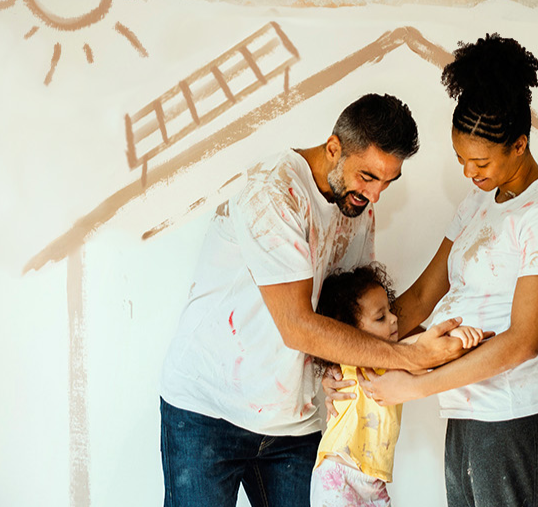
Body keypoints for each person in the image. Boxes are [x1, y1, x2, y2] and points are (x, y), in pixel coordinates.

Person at [159, 93, 469, 507]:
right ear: (333, 148)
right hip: (207, 411)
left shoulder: (357, 210)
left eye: (386, 182)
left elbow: (347, 319)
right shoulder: (273, 193)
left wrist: (335, 366)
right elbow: (297, 325)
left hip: (295, 424)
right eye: (367, 177)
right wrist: (411, 358)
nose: (374, 195)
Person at [324, 35, 538, 506]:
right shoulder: (480, 199)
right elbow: (422, 296)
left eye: (480, 162)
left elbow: (524, 341)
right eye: (461, 159)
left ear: (519, 145)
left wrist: (415, 383)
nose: (468, 172)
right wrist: (350, 359)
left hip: (514, 412)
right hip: (468, 404)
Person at [310, 264, 484, 507]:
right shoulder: (356, 360)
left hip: (373, 481)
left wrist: (459, 338)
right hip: (339, 475)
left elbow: (424, 354)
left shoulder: (393, 359)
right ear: (349, 332)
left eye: (390, 311)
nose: (394, 319)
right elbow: (419, 348)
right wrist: (454, 336)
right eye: (381, 317)